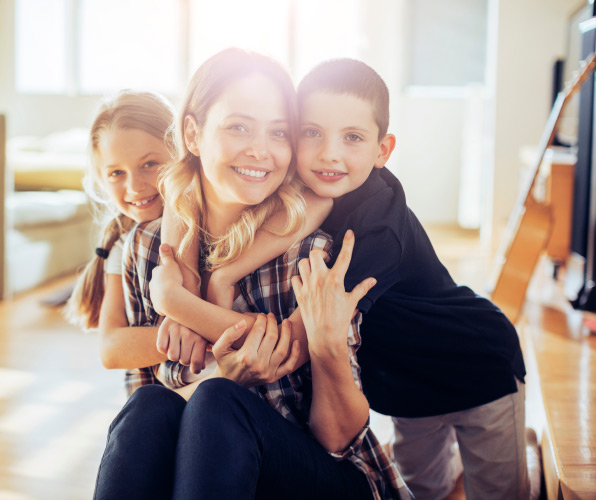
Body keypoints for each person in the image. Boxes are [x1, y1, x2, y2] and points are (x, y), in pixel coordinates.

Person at [166, 57, 529, 500]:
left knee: (500, 493)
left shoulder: (374, 235)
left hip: (477, 366)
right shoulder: (303, 187)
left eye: (352, 138)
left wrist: (173, 299)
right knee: (426, 489)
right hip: (405, 389)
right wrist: (222, 278)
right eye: (311, 133)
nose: (328, 154)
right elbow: (186, 195)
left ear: (383, 150)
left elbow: (294, 345)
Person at [93, 48, 412, 500]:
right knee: (149, 408)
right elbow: (157, 425)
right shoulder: (148, 250)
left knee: (218, 404)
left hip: (327, 477)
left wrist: (317, 350)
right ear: (192, 132)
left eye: (278, 132)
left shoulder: (311, 255)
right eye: (239, 126)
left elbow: (337, 440)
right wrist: (219, 374)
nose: (260, 150)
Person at [63, 89, 184, 395]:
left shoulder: (215, 222)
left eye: (149, 164)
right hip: (160, 401)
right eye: (116, 173)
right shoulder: (122, 246)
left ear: (182, 152)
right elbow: (111, 348)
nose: (134, 186)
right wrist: (200, 335)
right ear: (101, 180)